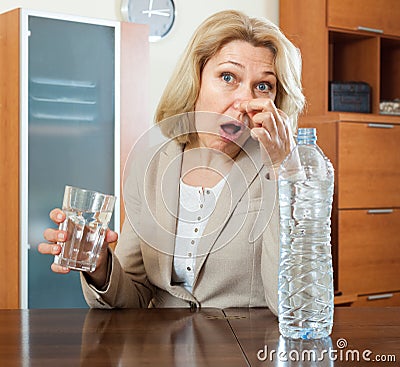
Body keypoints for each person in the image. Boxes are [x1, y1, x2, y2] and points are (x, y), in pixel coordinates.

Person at [38, 10, 305, 313]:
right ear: (196, 80)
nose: (245, 102)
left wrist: (282, 169)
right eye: (228, 77)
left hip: (247, 351)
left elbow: (294, 304)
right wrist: (100, 266)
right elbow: (134, 294)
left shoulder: (286, 168)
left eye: (263, 86)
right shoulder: (152, 161)